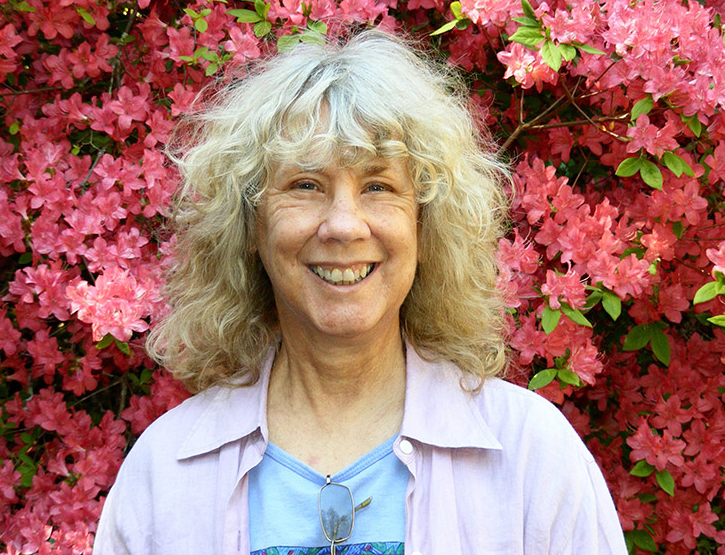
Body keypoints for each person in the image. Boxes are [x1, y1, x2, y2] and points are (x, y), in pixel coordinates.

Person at [93, 30, 628, 555]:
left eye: (378, 186)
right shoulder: (162, 474)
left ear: (425, 225)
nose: (344, 226)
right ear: (250, 226)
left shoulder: (534, 456)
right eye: (305, 185)